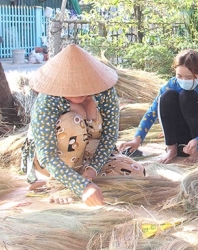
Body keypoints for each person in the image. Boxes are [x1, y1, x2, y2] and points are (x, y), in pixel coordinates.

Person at [21, 44, 145, 206]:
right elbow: (47, 156)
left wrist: (93, 168)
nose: (78, 91)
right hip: (51, 161)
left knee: (137, 173)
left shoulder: (105, 93)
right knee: (74, 121)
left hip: (90, 156)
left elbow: (109, 136)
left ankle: (79, 178)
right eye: (71, 87)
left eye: (82, 85)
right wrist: (83, 187)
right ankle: (58, 183)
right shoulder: (47, 101)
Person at [118, 49, 198, 164]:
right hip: (184, 136)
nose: (183, 80)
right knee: (167, 96)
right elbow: (151, 114)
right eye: (179, 76)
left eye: (188, 78)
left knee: (187, 95)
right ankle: (171, 148)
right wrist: (137, 139)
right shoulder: (171, 84)